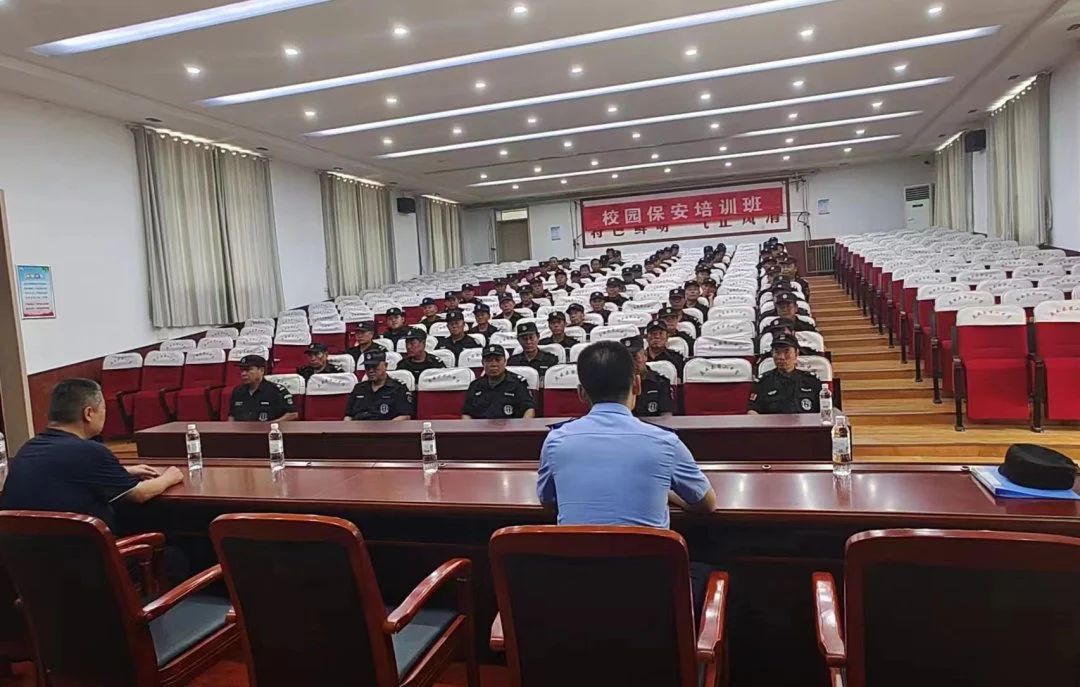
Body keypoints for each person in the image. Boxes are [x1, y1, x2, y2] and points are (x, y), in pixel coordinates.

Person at [536, 341, 716, 612]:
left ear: (581, 393)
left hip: (578, 596)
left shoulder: (555, 441)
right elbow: (707, 504)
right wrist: (668, 494)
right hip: (649, 599)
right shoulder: (665, 442)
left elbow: (548, 502)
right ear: (637, 385)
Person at [1, 379, 185, 533]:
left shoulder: (28, 448)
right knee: (176, 555)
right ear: (88, 413)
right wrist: (169, 477)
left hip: (24, 560)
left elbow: (65, 475)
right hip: (83, 559)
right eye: (103, 409)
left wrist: (123, 472)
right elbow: (140, 494)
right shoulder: (91, 452)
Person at [748, 334, 823, 415]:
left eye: (786, 351)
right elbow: (752, 411)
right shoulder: (763, 382)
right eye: (777, 352)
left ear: (796, 353)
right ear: (772, 354)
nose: (781, 357)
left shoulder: (811, 381)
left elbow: (826, 407)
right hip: (774, 423)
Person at [462, 345, 536, 419]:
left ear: (505, 362)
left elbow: (529, 410)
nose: (493, 364)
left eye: (498, 360)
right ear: (482, 363)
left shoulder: (518, 383)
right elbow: (466, 414)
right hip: (480, 426)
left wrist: (523, 425)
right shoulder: (475, 385)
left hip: (511, 425)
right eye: (488, 360)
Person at [344, 350, 413, 421]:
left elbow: (405, 416)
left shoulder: (398, 388)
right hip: (359, 425)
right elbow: (348, 415)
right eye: (367, 367)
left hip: (386, 426)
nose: (370, 370)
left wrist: (388, 426)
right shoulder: (359, 388)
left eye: (374, 366)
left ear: (385, 366)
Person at [227, 355, 298, 422]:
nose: (243, 374)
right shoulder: (238, 391)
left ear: (261, 370)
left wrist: (272, 425)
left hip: (267, 429)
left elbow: (292, 414)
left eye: (248, 369)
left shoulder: (277, 391)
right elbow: (232, 415)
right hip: (241, 430)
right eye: (242, 370)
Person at [623, 337, 674, 417]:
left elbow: (666, 416)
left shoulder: (661, 383)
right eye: (627, 359)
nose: (632, 363)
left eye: (635, 357)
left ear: (645, 356)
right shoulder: (617, 385)